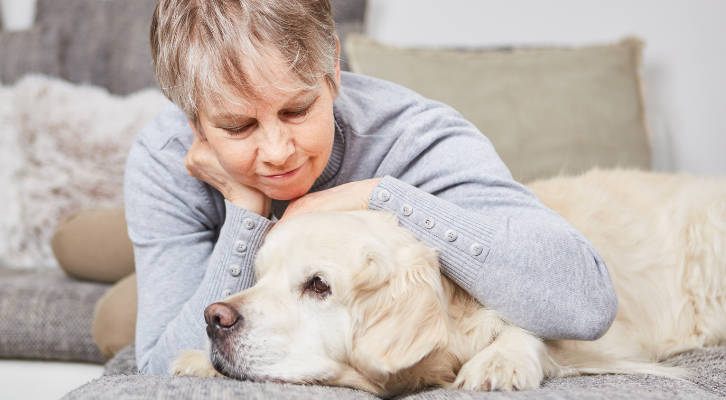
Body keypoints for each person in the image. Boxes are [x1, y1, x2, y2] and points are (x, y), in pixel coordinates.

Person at [78, 0, 619, 375]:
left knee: (114, 316)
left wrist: (379, 195)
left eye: (297, 109)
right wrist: (246, 213)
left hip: (249, 279)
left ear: (332, 69)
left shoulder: (418, 136)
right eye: (239, 127)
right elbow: (159, 364)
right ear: (192, 122)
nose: (277, 151)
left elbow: (585, 303)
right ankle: (84, 236)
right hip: (215, 233)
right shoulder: (165, 157)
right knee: (91, 274)